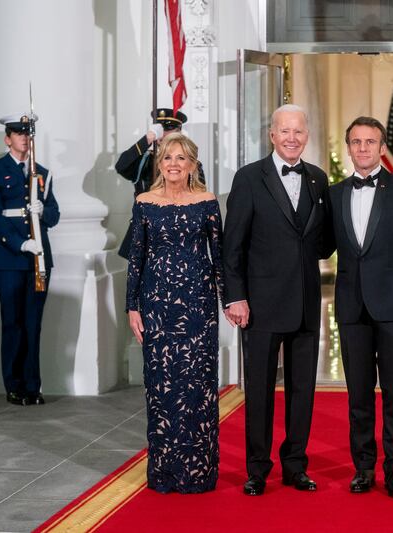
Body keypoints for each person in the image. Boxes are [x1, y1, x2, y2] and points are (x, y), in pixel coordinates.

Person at [324, 116, 393, 499]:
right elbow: (320, 245)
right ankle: (363, 468)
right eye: (356, 142)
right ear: (348, 147)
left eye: (370, 141)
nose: (363, 148)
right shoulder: (336, 193)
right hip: (352, 309)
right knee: (357, 395)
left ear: (382, 147)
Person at [222, 104, 330, 496]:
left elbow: (326, 240)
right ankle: (257, 469)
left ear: (307, 136)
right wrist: (235, 297)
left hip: (305, 303)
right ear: (271, 134)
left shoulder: (318, 179)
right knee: (261, 392)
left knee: (303, 391)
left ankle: (295, 466)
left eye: (298, 132)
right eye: (285, 131)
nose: (292, 138)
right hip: (260, 305)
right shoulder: (250, 178)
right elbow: (231, 245)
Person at [126, 132, 225, 493]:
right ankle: (165, 473)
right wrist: (131, 307)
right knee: (162, 389)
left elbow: (220, 257)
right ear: (160, 163)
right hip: (156, 308)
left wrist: (229, 300)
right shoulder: (144, 202)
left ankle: (199, 473)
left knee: (198, 387)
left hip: (199, 308)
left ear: (192, 165)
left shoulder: (207, 202)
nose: (173, 164)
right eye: (168, 157)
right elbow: (136, 259)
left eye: (181, 158)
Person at [0, 113, 60, 406]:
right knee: (12, 322)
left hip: (39, 258)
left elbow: (54, 214)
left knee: (33, 322)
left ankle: (32, 386)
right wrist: (19, 243)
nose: (25, 138)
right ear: (8, 138)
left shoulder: (42, 173)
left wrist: (43, 212)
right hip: (10, 258)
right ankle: (14, 385)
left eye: (28, 133)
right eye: (18, 133)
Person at [115, 108, 205, 258]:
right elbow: (121, 166)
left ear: (179, 132)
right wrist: (147, 139)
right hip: (146, 231)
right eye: (160, 129)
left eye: (168, 129)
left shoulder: (190, 164)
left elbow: (198, 198)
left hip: (177, 232)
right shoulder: (146, 160)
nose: (164, 134)